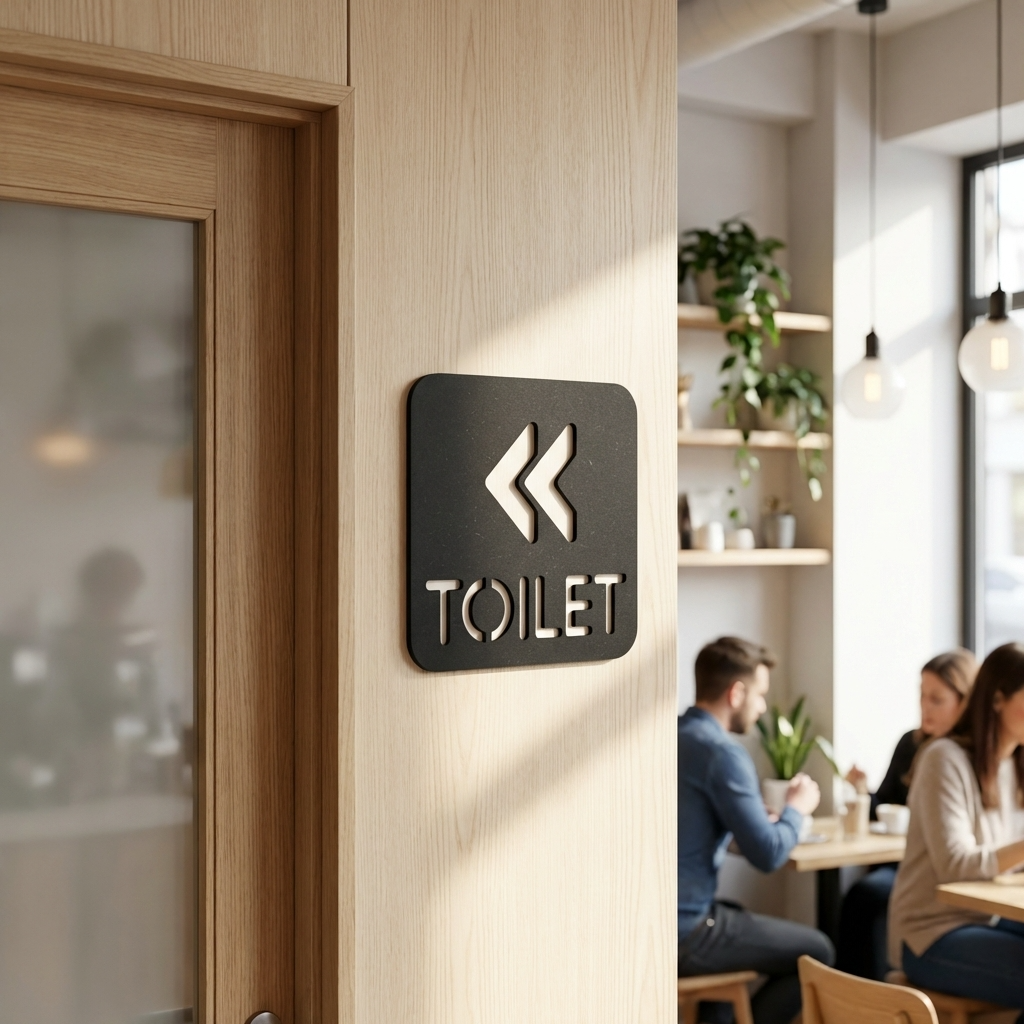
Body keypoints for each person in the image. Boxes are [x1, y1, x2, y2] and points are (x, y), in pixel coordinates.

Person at [678, 636, 834, 1024]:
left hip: (661, 919)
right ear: (737, 692)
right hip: (687, 929)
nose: (762, 706)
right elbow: (768, 854)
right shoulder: (722, 753)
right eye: (760, 695)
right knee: (816, 952)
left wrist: (739, 824)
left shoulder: (675, 736)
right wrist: (796, 809)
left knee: (736, 918)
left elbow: (690, 828)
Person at [888, 642, 1024, 1013]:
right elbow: (955, 866)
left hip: (988, 919)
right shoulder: (943, 759)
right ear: (998, 700)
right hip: (931, 934)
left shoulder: (1013, 764)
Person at [835, 649, 977, 980]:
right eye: (922, 696)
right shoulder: (911, 744)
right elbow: (882, 803)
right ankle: (850, 995)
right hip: (904, 865)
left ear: (966, 702)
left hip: (939, 872)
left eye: (937, 699)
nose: (925, 707)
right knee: (863, 896)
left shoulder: (965, 759)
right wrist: (861, 791)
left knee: (867, 895)